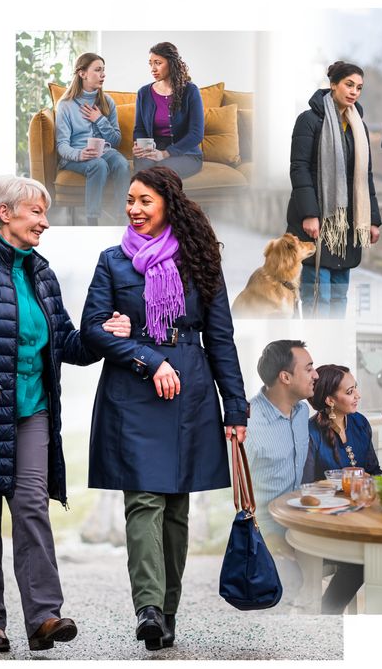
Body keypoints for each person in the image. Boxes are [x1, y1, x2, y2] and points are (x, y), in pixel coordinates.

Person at [0, 175, 131, 652]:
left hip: (31, 410)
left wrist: (104, 334)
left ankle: (44, 617)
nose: (45, 222)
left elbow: (67, 344)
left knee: (32, 506)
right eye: (37, 212)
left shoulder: (43, 274)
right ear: (4, 213)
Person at [81, 166, 249, 649]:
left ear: (167, 205)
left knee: (176, 507)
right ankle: (149, 607)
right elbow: (92, 328)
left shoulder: (200, 261)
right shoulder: (112, 262)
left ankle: (167, 613)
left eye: (144, 201)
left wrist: (235, 408)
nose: (133, 209)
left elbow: (220, 339)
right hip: (134, 391)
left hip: (191, 390)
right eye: (129, 200)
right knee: (144, 500)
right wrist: (147, 359)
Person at [286, 60, 382, 318]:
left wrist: (372, 220)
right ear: (333, 85)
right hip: (317, 219)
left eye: (359, 88)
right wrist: (309, 213)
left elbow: (365, 175)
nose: (354, 92)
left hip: (347, 223)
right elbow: (299, 168)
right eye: (349, 85)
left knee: (339, 297)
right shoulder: (309, 120)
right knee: (317, 296)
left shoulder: (357, 126)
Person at [300, 364, 382, 614]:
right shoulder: (310, 432)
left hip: (362, 520)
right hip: (328, 526)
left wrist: (372, 481)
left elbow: (375, 472)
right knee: (365, 558)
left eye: (356, 388)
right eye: (350, 391)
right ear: (330, 399)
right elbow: (306, 489)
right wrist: (339, 484)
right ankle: (328, 614)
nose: (357, 395)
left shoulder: (360, 423)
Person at [243, 340, 318, 550]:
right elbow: (230, 497)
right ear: (285, 377)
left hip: (297, 524)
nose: (316, 375)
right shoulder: (246, 422)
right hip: (262, 535)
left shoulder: (302, 412)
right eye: (309, 369)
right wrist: (264, 537)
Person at [55, 52, 131, 226]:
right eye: (97, 70)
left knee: (122, 164)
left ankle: (123, 219)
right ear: (82, 73)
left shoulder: (107, 102)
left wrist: (99, 119)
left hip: (105, 151)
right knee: (98, 165)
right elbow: (62, 145)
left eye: (103, 70)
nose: (103, 75)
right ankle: (92, 220)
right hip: (76, 155)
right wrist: (80, 154)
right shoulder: (66, 105)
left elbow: (116, 140)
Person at [131, 42, 204, 179]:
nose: (153, 68)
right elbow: (139, 128)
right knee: (143, 171)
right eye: (150, 63)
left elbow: (196, 134)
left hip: (186, 153)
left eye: (158, 63)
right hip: (153, 149)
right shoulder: (144, 93)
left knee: (161, 173)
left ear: (171, 63)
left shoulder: (190, 91)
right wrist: (139, 145)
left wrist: (165, 153)